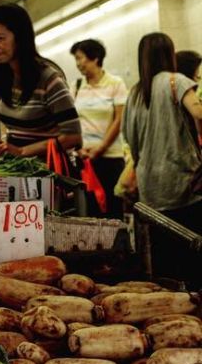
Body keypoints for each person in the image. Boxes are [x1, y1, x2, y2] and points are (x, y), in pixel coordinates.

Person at [121, 32, 202, 231]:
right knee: (190, 246)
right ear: (169, 54)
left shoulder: (135, 92)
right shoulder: (176, 81)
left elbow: (129, 135)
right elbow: (198, 114)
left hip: (150, 186)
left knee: (162, 250)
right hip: (181, 182)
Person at [0, 4, 82, 160]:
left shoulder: (49, 79)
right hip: (19, 172)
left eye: (0, 38)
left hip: (49, 175)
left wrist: (23, 151)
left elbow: (73, 137)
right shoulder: (3, 76)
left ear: (20, 38)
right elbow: (8, 125)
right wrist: (4, 144)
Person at [70, 38, 127, 217]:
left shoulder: (115, 83)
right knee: (90, 211)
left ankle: (116, 246)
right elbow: (71, 120)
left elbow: (120, 119)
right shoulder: (77, 86)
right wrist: (78, 149)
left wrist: (101, 147)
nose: (78, 64)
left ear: (95, 58)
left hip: (110, 158)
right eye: (76, 59)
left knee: (112, 210)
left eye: (80, 58)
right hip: (85, 159)